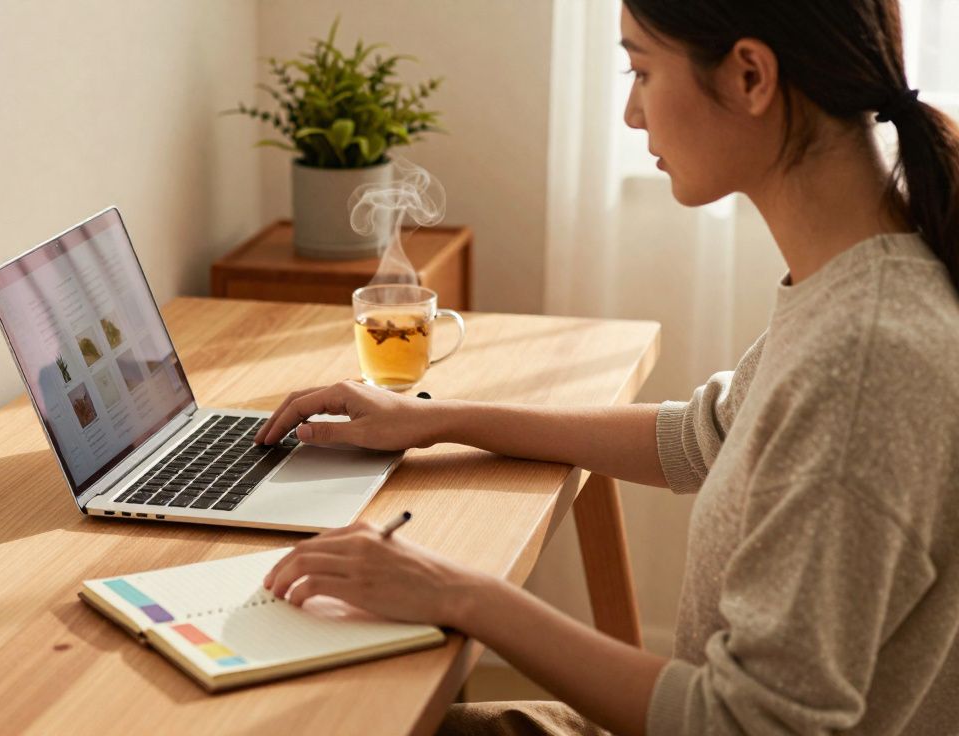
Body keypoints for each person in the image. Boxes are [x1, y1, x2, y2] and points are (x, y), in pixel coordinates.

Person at [252, 1, 959, 734]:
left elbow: (745, 724)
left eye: (641, 70)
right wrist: (434, 417)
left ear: (750, 75)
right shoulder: (854, 285)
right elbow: (702, 438)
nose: (629, 113)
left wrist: (460, 594)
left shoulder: (865, 359)